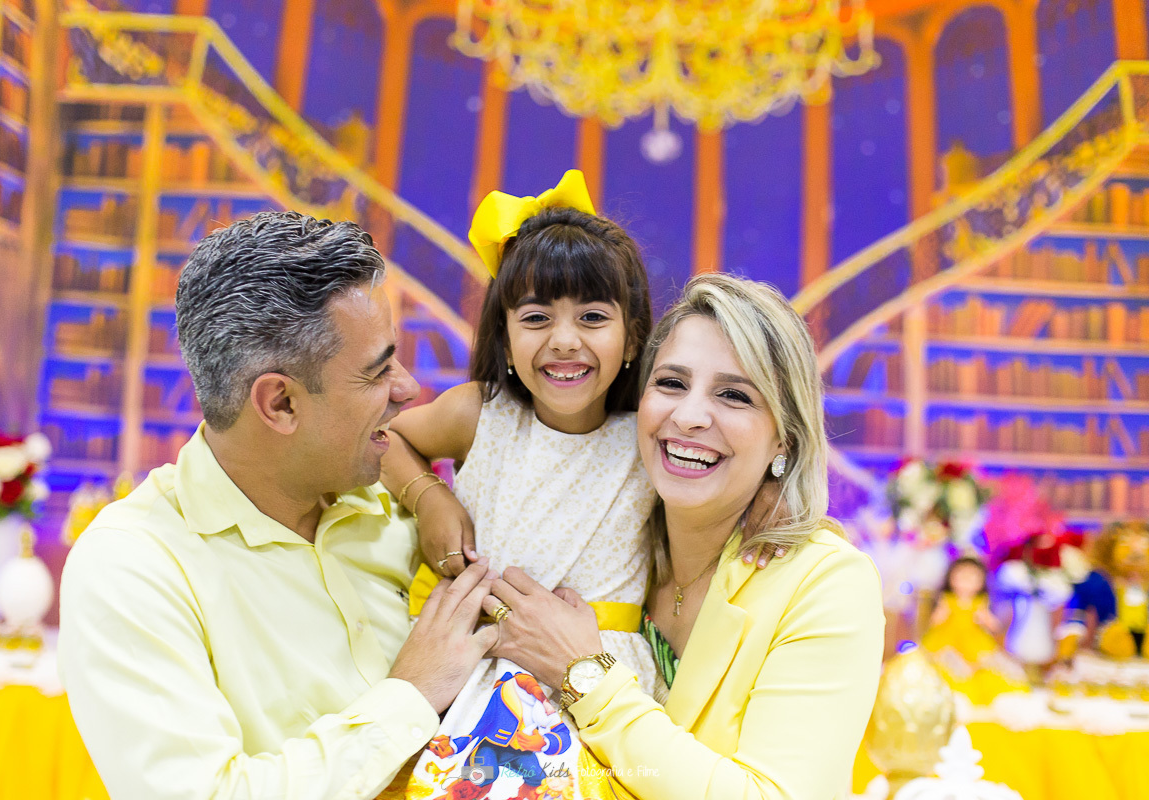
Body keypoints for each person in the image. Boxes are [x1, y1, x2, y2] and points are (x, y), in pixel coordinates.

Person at [58, 211, 498, 799]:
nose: (408, 388)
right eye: (376, 372)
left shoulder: (400, 504)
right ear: (281, 403)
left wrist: (426, 492)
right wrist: (412, 695)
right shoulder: (134, 567)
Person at [484, 274, 885, 799]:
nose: (689, 416)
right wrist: (427, 492)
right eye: (671, 383)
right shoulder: (609, 530)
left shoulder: (826, 582)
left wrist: (585, 675)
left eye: (734, 395)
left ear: (785, 436)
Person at [378, 170, 665, 800]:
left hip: (592, 681)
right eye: (536, 317)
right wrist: (427, 496)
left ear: (633, 337)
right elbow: (387, 438)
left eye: (593, 317)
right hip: (472, 666)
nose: (564, 340)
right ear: (504, 339)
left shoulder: (650, 436)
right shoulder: (477, 413)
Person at [923, 555, 1027, 703]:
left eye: (972, 577)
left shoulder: (981, 602)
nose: (966, 581)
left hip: (974, 640)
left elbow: (994, 625)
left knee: (985, 666)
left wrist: (986, 620)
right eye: (961, 576)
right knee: (947, 666)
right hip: (947, 639)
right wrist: (941, 613)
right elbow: (934, 622)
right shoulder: (946, 599)